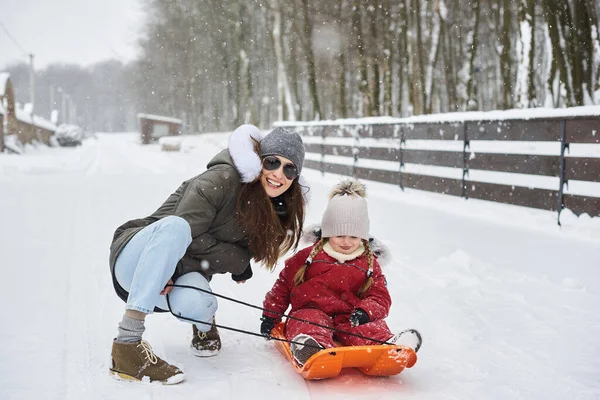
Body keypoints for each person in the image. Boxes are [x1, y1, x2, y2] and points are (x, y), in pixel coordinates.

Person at [108, 124, 307, 384]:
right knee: (176, 227)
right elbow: (186, 234)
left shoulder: (271, 210)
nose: (278, 173)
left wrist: (237, 261)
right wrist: (234, 260)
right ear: (258, 161)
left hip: (176, 277)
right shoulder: (222, 178)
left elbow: (230, 255)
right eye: (272, 162)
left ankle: (204, 326)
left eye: (289, 168)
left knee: (198, 304)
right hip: (135, 258)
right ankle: (128, 344)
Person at [260, 179, 421, 366]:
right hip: (312, 311)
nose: (346, 242)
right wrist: (270, 316)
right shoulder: (308, 256)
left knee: (370, 328)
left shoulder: (369, 263)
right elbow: (282, 286)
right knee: (306, 321)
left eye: (353, 236)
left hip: (350, 317)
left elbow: (380, 296)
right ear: (327, 233)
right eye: (339, 235)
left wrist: (366, 312)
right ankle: (311, 349)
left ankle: (388, 345)